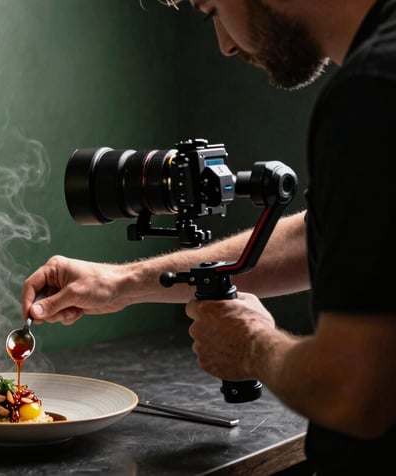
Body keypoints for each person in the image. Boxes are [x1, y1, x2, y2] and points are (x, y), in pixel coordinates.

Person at [20, 0, 396, 474]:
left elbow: (356, 390)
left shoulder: (374, 89)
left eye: (211, 9)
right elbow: (317, 236)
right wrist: (123, 282)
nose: (224, 44)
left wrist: (252, 344)